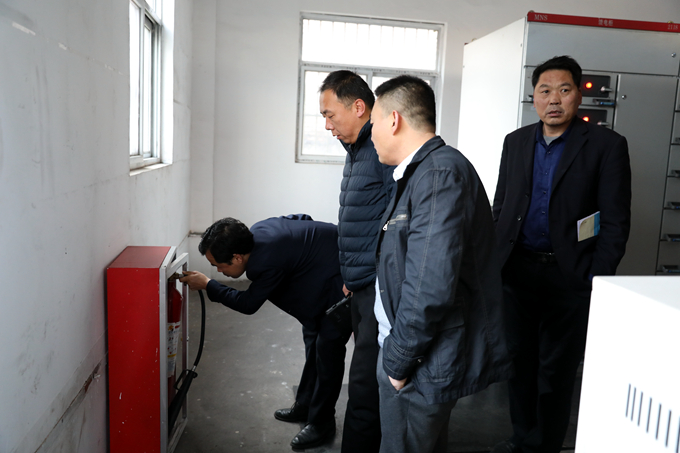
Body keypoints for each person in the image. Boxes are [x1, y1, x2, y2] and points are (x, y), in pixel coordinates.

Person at [490, 56, 631, 453]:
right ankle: (522, 437)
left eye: (564, 90)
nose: (554, 99)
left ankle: (545, 444)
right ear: (533, 97)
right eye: (545, 91)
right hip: (517, 271)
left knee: (556, 370)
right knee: (518, 363)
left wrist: (595, 276)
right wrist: (495, 261)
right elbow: (501, 205)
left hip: (570, 275)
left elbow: (615, 221)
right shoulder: (516, 141)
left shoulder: (606, 146)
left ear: (578, 96)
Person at [370, 75, 513, 453]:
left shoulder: (438, 174)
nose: (371, 134)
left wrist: (398, 363)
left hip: (417, 361)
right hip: (416, 353)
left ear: (394, 120)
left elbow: (429, 285)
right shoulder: (425, 171)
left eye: (372, 122)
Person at [180, 214, 351, 451]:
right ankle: (305, 404)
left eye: (220, 265)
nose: (218, 270)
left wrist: (209, 284)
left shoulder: (265, 262)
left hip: (341, 281)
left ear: (237, 257)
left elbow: (248, 304)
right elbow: (302, 218)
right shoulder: (260, 229)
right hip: (325, 274)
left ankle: (322, 423)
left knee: (328, 352)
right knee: (313, 341)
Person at [318, 70, 395, 453]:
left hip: (380, 289)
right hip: (361, 284)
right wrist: (352, 275)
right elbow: (364, 219)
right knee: (362, 378)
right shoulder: (356, 151)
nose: (327, 125)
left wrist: (376, 278)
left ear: (359, 107)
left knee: (365, 386)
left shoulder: (382, 151)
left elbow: (396, 224)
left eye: (330, 115)